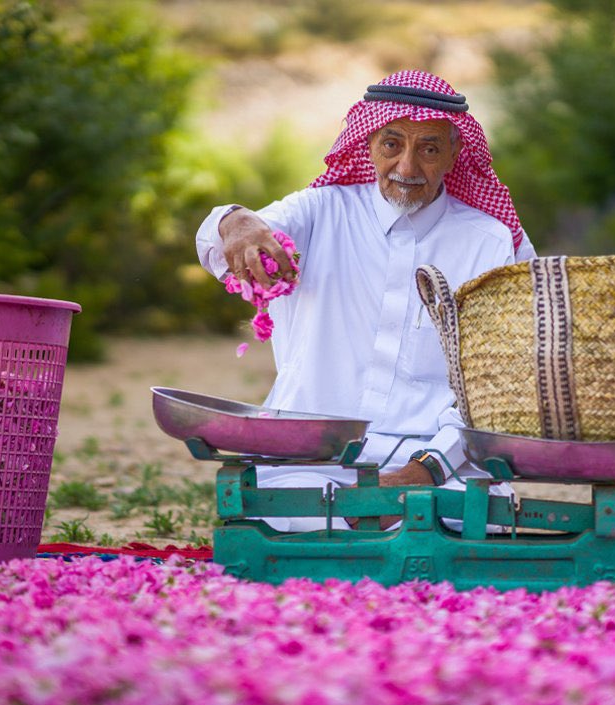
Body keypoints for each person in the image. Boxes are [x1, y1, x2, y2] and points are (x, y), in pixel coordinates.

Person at [196, 69, 536, 531]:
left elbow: (501, 383)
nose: (408, 168)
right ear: (368, 143)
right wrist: (235, 221)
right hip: (313, 462)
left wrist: (424, 471)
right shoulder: (318, 211)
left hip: (442, 464)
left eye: (429, 149)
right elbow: (222, 240)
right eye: (392, 144)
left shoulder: (493, 241)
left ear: (456, 153)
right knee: (283, 510)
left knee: (472, 516)